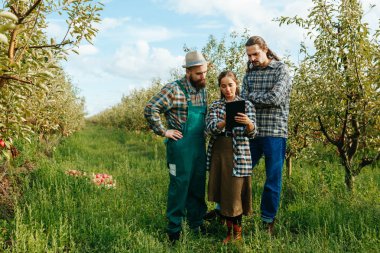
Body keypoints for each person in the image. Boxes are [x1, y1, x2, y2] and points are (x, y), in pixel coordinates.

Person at [144, 51, 208, 244]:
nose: (203, 77)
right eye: (198, 73)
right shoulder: (173, 89)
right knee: (180, 186)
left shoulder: (203, 89)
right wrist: (164, 131)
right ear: (188, 71)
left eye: (205, 72)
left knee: (197, 184)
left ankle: (196, 222)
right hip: (180, 146)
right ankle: (174, 228)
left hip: (198, 145)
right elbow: (150, 108)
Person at [241, 36, 292, 235]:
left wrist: (251, 98)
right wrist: (254, 99)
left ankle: (267, 221)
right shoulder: (249, 75)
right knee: (241, 173)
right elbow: (244, 99)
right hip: (251, 132)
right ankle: (232, 213)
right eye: (249, 55)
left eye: (255, 53)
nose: (252, 58)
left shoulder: (280, 70)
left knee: (272, 179)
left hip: (274, 133)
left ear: (265, 49)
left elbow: (276, 98)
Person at [206, 70, 256, 243]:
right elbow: (210, 129)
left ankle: (238, 233)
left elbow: (253, 134)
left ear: (236, 85)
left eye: (230, 85)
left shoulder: (246, 105)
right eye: (223, 86)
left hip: (240, 152)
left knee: (235, 193)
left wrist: (248, 123)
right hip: (220, 152)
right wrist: (224, 122)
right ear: (220, 87)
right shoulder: (215, 106)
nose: (227, 89)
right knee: (224, 193)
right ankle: (229, 232)